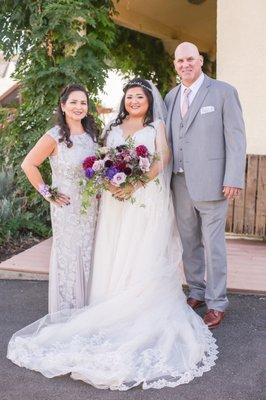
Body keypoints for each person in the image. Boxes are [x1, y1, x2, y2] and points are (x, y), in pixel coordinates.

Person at [7, 78, 218, 390]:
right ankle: (90, 306)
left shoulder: (152, 125)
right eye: (129, 96)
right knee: (110, 249)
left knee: (136, 250)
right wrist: (101, 184)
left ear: (149, 101)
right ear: (63, 106)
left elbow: (164, 157)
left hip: (143, 198)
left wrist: (135, 182)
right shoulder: (109, 128)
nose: (133, 101)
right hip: (111, 200)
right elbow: (101, 163)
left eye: (139, 96)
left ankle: (129, 306)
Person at [165, 42, 246, 329]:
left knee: (214, 245)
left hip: (213, 182)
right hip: (179, 181)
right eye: (179, 60)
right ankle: (197, 292)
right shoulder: (172, 96)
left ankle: (217, 301)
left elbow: (236, 138)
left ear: (200, 61)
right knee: (189, 243)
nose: (185, 64)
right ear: (175, 64)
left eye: (190, 59)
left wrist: (233, 177)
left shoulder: (223, 92)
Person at [21, 84, 99, 313]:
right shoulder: (54, 136)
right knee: (70, 254)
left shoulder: (92, 135)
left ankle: (88, 306)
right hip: (66, 206)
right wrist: (48, 194)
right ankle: (68, 309)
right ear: (63, 106)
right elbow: (28, 164)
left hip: (91, 206)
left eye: (83, 102)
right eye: (73, 102)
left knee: (88, 253)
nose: (79, 107)